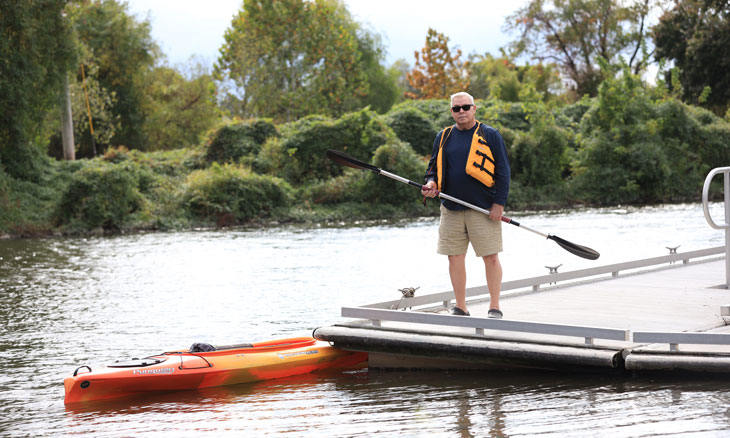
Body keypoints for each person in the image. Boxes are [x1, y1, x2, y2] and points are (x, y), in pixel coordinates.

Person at [421, 92, 510, 319]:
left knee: (490, 256)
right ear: (451, 111)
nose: (461, 111)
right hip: (450, 208)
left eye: (465, 107)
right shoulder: (443, 137)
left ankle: (495, 306)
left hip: (483, 208)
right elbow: (432, 169)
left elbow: (503, 171)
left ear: (474, 109)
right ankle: (461, 307)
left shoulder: (490, 135)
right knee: (454, 257)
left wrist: (498, 203)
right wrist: (431, 183)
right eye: (456, 108)